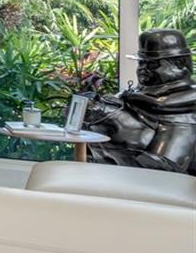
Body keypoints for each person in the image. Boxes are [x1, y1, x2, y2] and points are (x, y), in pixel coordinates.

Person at [84, 29, 196, 174]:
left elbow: (164, 170)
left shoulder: (185, 106)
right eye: (141, 63)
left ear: (180, 63)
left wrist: (115, 115)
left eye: (152, 64)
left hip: (160, 184)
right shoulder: (136, 97)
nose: (143, 69)